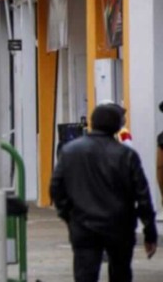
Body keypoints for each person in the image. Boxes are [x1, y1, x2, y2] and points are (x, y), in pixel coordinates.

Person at [50, 103, 157, 282]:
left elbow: (56, 187)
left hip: (83, 224)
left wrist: (68, 214)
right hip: (119, 225)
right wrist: (150, 232)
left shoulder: (70, 151)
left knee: (85, 274)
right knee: (121, 271)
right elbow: (143, 196)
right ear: (116, 125)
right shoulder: (126, 155)